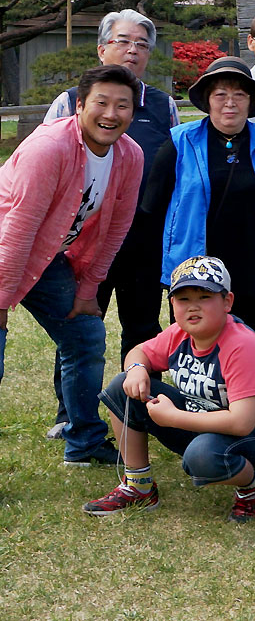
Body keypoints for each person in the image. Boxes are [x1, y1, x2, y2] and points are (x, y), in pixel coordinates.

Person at [0, 64, 143, 467]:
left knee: (85, 336)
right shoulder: (49, 148)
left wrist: (87, 290)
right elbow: (17, 229)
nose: (111, 114)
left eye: (123, 106)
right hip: (4, 247)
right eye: (101, 102)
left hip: (46, 256)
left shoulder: (130, 156)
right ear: (79, 106)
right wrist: (2, 302)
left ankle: (83, 442)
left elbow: (117, 228)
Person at [42, 10, 178, 407]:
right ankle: (70, 411)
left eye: (141, 44)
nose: (132, 50)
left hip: (143, 237)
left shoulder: (162, 104)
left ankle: (138, 409)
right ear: (102, 49)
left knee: (142, 326)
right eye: (123, 41)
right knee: (81, 326)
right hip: (85, 239)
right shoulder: (70, 102)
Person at [82, 255, 255, 519]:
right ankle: (138, 486)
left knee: (202, 457)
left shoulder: (240, 345)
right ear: (172, 303)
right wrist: (136, 369)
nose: (194, 307)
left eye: (204, 297)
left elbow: (242, 422)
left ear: (227, 302)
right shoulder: (180, 332)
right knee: (122, 387)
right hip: (200, 419)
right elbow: (138, 352)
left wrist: (173, 418)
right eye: (184, 299)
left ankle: (254, 484)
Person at [144, 57, 255, 340]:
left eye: (239, 95)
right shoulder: (179, 142)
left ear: (250, 102)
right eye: (220, 94)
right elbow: (153, 208)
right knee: (195, 348)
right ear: (208, 100)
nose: (230, 103)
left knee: (249, 344)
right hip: (194, 268)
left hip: (251, 267)